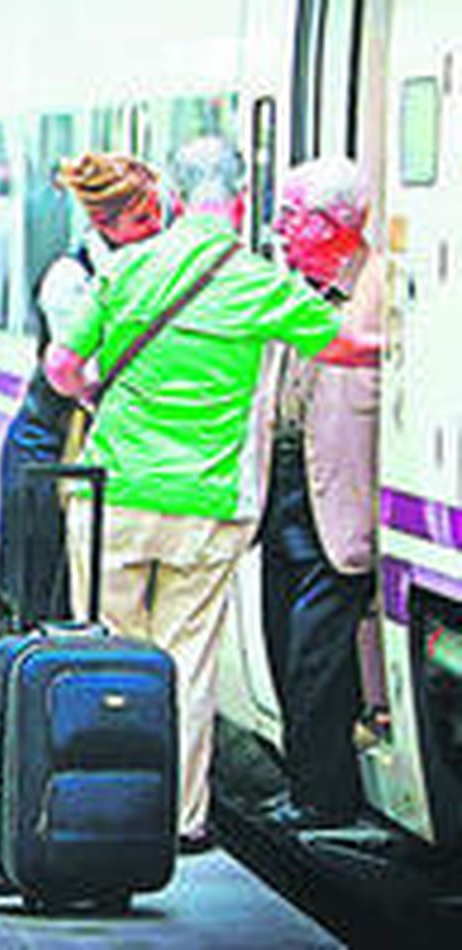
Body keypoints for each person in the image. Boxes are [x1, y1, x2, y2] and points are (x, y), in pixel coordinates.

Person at [43, 137, 382, 854]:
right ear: (239, 197)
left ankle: (110, 810)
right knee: (187, 665)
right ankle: (181, 819)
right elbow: (347, 347)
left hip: (118, 500)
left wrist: (100, 387)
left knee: (110, 658)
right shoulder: (258, 280)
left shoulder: (129, 268)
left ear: (173, 192)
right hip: (205, 504)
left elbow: (62, 367)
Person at [254, 157, 382, 831]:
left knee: (316, 656)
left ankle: (323, 797)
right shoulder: (290, 283)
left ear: (337, 224)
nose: (278, 228)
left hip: (338, 502)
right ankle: (303, 784)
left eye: (291, 215)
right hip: (282, 492)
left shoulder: (380, 287)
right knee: (281, 637)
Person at [0, 154, 167, 626]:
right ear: (102, 221)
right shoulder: (70, 279)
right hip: (51, 452)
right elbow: (86, 376)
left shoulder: (154, 264)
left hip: (91, 451)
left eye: (157, 211)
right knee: (49, 602)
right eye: (142, 218)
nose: (156, 226)